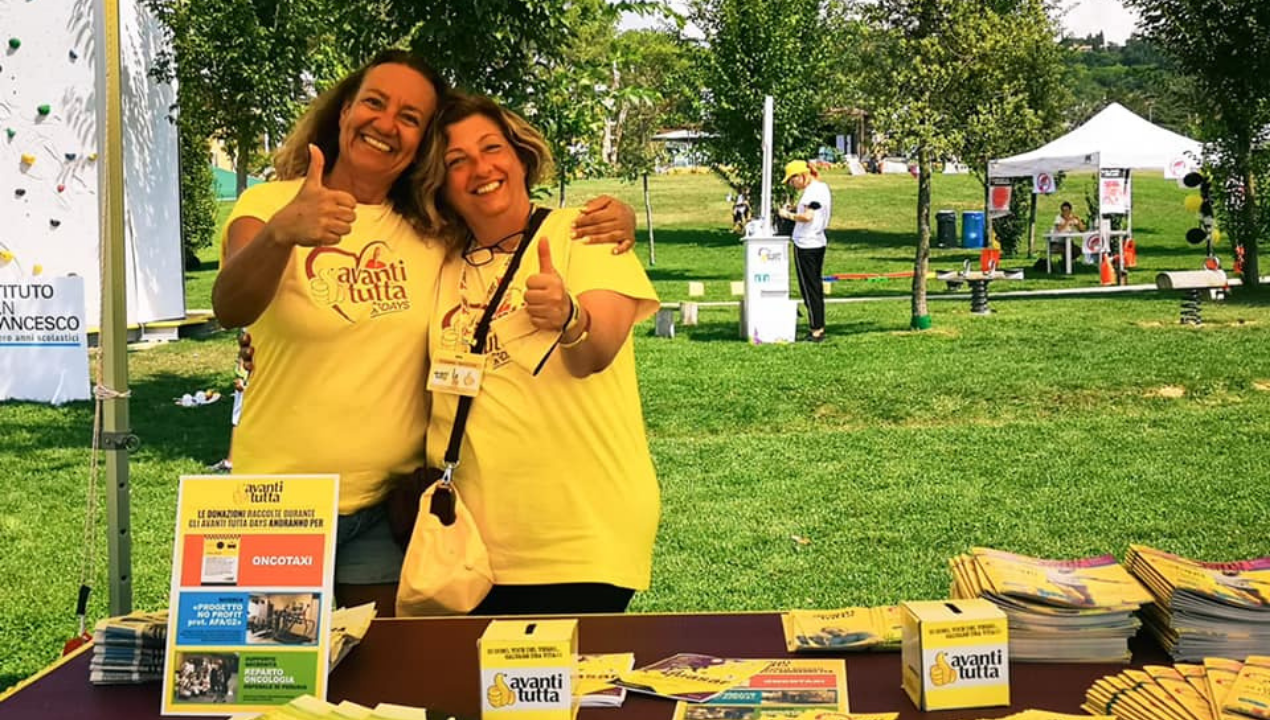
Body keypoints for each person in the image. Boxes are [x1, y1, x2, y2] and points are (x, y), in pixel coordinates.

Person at [211, 49, 637, 615]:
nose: (387, 123)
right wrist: (280, 234)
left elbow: (506, 222)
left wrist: (613, 219)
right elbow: (230, 307)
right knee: (267, 663)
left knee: (384, 667)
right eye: (375, 102)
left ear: (421, 146)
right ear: (344, 111)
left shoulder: (432, 231)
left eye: (410, 118)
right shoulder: (269, 204)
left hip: (386, 507)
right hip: (276, 502)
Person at [415, 92, 660, 615]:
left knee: (559, 673)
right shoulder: (440, 261)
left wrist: (570, 317)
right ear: (440, 184)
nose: (481, 168)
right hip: (464, 545)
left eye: (492, 148)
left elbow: (596, 351)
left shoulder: (582, 233)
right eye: (457, 161)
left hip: (574, 538)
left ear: (521, 156)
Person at [778, 160, 832, 342]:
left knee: (809, 288)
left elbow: (808, 217)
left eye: (792, 180)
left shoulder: (812, 192)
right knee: (815, 286)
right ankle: (817, 325)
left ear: (801, 176)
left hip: (806, 243)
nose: (792, 184)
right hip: (818, 241)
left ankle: (816, 328)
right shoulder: (822, 188)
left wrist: (788, 215)